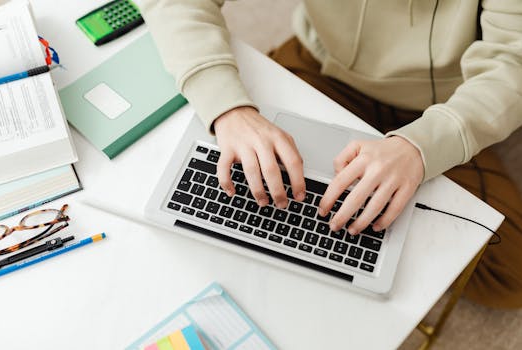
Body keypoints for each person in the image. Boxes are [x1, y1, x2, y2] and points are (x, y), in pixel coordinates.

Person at [141, 0, 522, 308]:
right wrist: (229, 109)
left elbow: (513, 66)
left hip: (440, 105)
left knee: (511, 278)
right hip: (321, 66)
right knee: (229, 198)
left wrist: (420, 147)